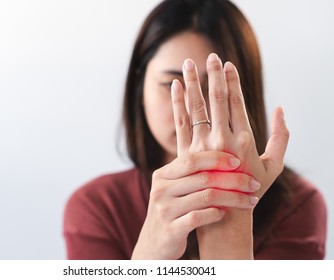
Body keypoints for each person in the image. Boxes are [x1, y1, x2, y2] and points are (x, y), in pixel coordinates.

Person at [63, 0, 327, 259]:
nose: (193, 109)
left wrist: (229, 218)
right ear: (139, 88)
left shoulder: (297, 206)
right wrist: (150, 254)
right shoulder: (96, 207)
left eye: (216, 87)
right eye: (172, 84)